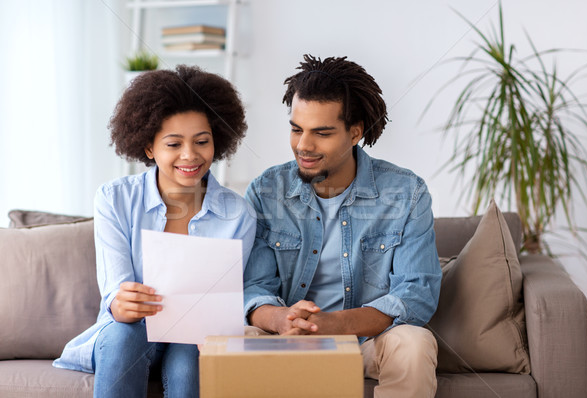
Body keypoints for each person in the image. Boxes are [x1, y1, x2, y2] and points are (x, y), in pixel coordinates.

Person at [243, 55, 441, 398]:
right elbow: (254, 287)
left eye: (321, 133)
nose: (304, 145)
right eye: (296, 129)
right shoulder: (265, 191)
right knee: (238, 341)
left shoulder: (406, 192)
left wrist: (332, 325)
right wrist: (283, 320)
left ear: (355, 133)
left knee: (413, 343)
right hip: (287, 337)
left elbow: (416, 293)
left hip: (366, 342)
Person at [53, 65, 256, 398]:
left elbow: (230, 299)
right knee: (124, 334)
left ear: (216, 142)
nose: (190, 155)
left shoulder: (239, 214)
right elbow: (114, 294)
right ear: (149, 148)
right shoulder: (114, 199)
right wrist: (122, 303)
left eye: (201, 142)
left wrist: (218, 328)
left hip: (191, 340)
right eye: (173, 144)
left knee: (189, 357)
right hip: (129, 335)